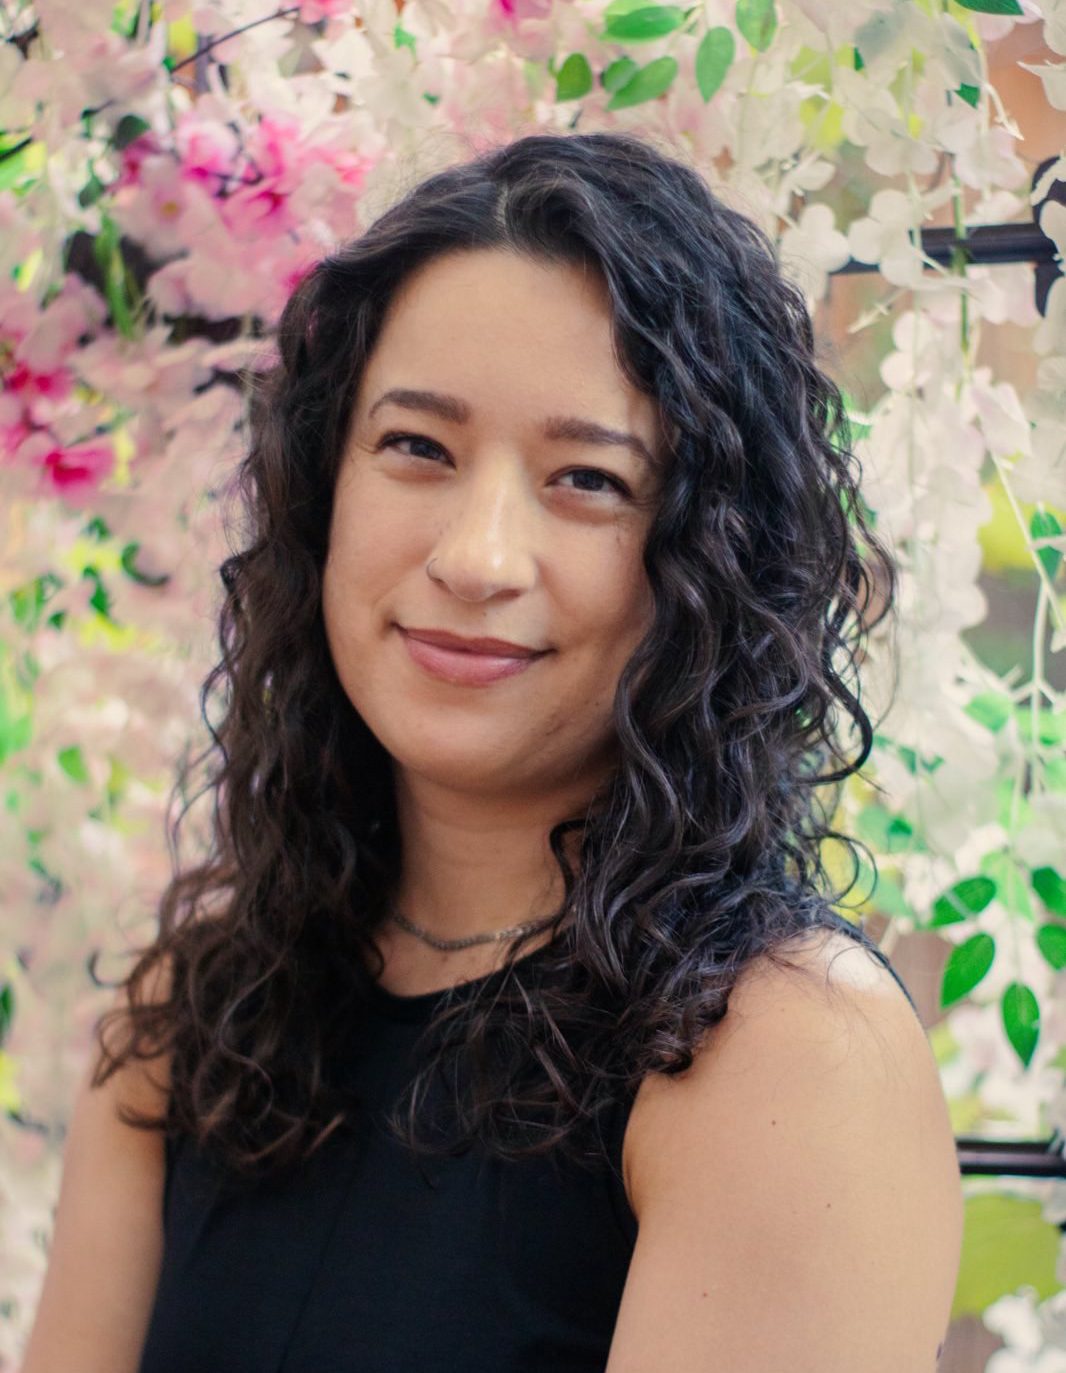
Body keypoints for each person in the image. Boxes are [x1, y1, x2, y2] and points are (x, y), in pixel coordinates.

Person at [22, 129, 963, 1373]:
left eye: (587, 477)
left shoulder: (780, 1052)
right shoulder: (194, 1015)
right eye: (417, 447)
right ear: (320, 491)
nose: (475, 557)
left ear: (707, 560)